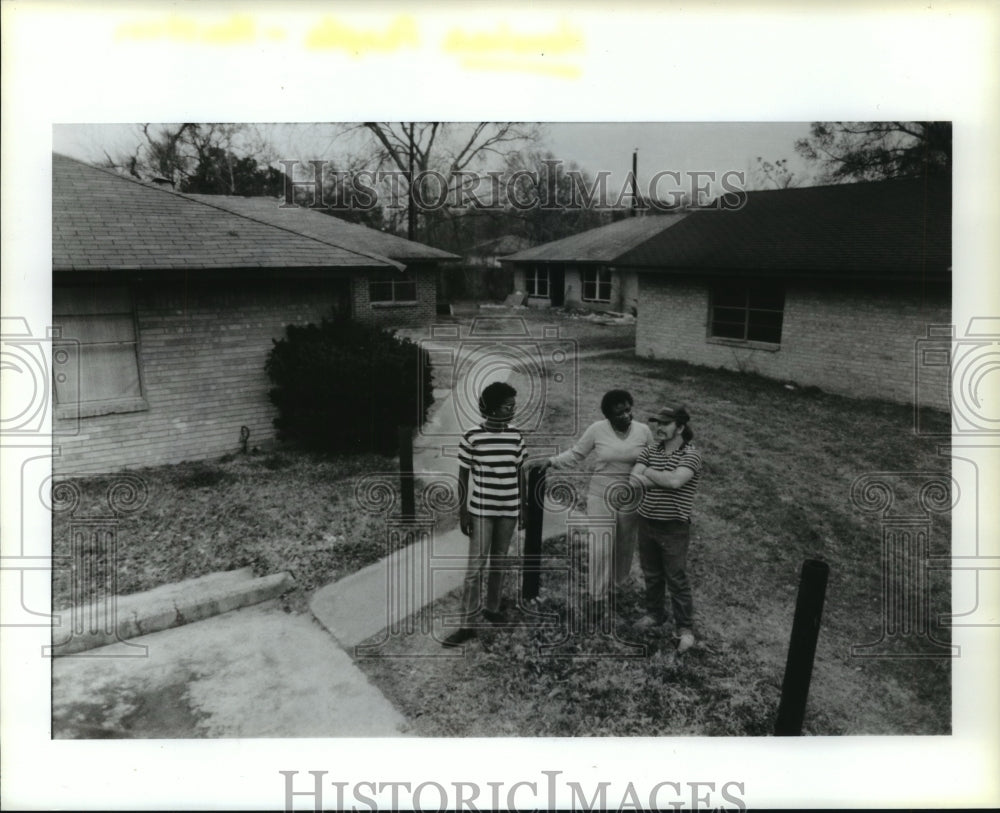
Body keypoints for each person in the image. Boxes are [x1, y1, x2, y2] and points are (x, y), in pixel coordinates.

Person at [535, 390, 653, 604]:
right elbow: (576, 454)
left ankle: (617, 585)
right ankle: (597, 594)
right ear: (608, 415)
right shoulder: (597, 430)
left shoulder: (643, 431)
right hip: (601, 494)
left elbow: (653, 460)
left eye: (628, 410)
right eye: (619, 413)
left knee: (624, 543)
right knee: (600, 545)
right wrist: (551, 461)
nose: (626, 416)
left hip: (631, 496)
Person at [443, 380, 526, 648]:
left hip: (509, 510)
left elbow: (520, 473)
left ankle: (492, 608)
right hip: (481, 510)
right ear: (490, 408)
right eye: (506, 406)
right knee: (475, 567)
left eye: (513, 406)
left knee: (499, 562)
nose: (512, 411)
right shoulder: (471, 437)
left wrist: (523, 507)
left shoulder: (516, 436)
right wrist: (463, 512)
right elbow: (463, 476)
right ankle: (466, 624)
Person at [629, 404, 702, 653]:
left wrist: (650, 473)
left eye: (665, 424)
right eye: (657, 423)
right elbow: (633, 481)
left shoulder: (690, 454)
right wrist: (660, 476)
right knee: (652, 573)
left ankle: (685, 629)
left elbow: (675, 481)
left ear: (680, 427)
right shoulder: (651, 450)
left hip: (673, 526)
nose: (658, 428)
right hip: (647, 521)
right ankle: (654, 614)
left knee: (676, 578)